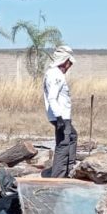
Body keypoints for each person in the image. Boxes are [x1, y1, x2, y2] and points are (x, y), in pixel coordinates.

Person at [43, 46, 76, 177]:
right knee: (63, 145)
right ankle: (58, 177)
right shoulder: (55, 75)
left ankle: (70, 169)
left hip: (61, 116)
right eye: (70, 63)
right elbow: (52, 97)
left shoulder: (54, 74)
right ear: (65, 61)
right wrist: (59, 118)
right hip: (60, 116)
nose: (70, 66)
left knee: (73, 136)